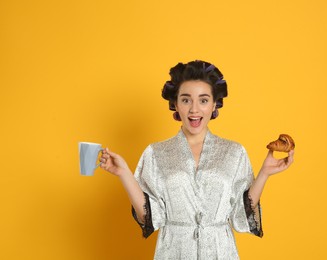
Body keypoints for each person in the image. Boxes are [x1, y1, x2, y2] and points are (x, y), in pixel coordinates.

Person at [99, 60, 294, 259]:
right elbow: (150, 217)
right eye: (186, 100)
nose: (194, 109)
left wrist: (265, 173)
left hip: (220, 250)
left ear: (214, 104)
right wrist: (124, 173)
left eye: (203, 100)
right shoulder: (156, 153)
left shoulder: (234, 152)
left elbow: (240, 215)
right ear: (175, 104)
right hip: (174, 251)